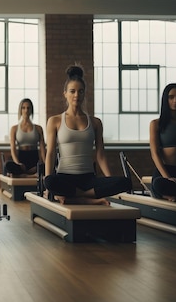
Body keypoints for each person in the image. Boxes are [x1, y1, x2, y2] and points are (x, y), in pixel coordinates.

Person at [43, 65, 131, 205]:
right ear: (65, 93)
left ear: (85, 94)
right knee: (49, 181)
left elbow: (100, 154)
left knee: (125, 183)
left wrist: (109, 181)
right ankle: (90, 199)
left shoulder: (95, 122)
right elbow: (51, 153)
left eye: (80, 91)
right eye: (72, 91)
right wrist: (47, 185)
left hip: (88, 179)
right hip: (65, 177)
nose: (76, 95)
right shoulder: (55, 121)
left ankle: (77, 197)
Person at [4, 98, 45, 177]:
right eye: (23, 108)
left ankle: (26, 174)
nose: (26, 110)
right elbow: (13, 148)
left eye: (28, 108)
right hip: (21, 159)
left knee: (47, 166)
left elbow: (42, 148)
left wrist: (44, 162)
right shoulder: (14, 128)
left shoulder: (38, 128)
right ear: (20, 110)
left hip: (34, 157)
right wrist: (18, 163)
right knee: (8, 165)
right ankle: (28, 174)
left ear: (31, 110)